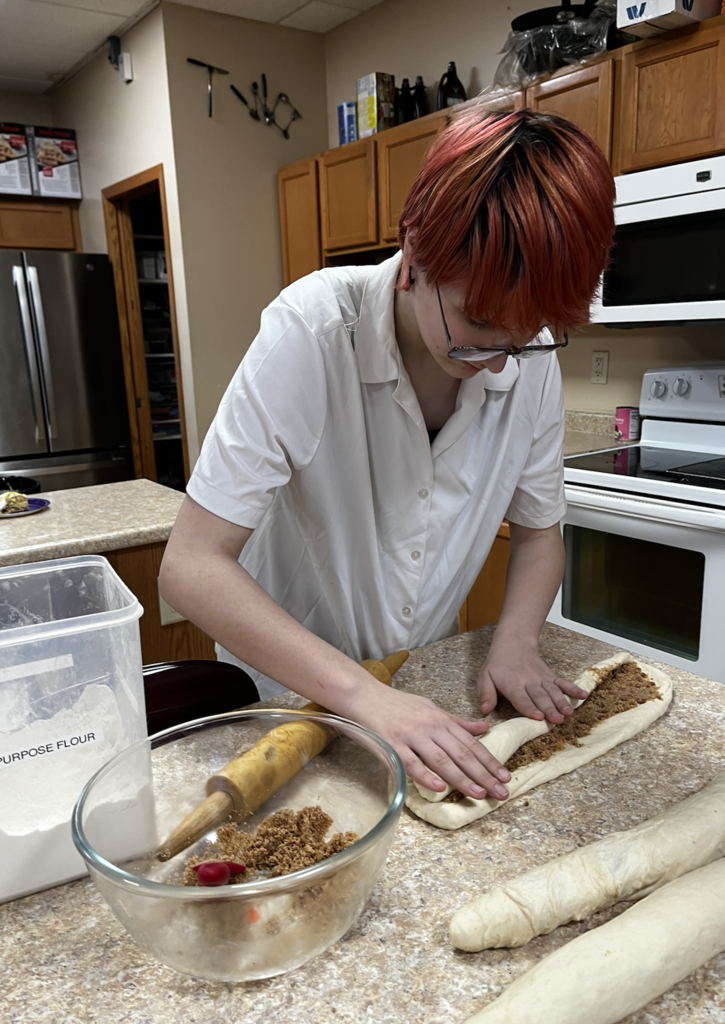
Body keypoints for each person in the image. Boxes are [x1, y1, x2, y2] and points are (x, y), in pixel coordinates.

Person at [160, 107, 615, 804]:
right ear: (414, 253)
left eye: (525, 336)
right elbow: (191, 567)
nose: (500, 364)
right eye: (480, 326)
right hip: (289, 688)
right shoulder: (312, 331)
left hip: (418, 683)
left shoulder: (526, 361)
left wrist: (517, 639)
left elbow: (538, 535)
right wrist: (358, 695)